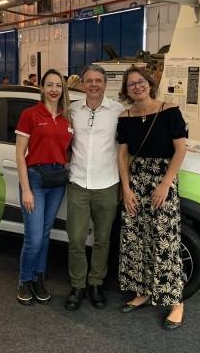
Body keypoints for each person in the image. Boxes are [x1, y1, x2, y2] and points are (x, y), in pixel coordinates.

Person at [116, 66, 187, 330]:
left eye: (141, 82)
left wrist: (165, 184)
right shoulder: (125, 117)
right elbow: (122, 156)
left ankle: (176, 301)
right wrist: (126, 188)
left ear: (150, 83)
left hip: (162, 182)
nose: (137, 87)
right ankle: (142, 291)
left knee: (165, 241)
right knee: (136, 239)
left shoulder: (169, 111)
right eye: (131, 84)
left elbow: (180, 150)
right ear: (127, 90)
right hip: (136, 182)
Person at [64, 65, 124, 311]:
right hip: (78, 182)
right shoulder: (72, 110)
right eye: (89, 80)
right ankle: (77, 286)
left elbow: (127, 145)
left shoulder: (118, 111)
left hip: (108, 184)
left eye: (98, 80)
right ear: (82, 84)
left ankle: (96, 283)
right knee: (76, 239)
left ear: (105, 83)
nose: (94, 84)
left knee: (102, 239)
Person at [15, 69, 73, 305]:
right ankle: (24, 280)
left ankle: (39, 278)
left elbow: (68, 150)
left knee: (46, 234)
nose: (54, 89)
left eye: (58, 85)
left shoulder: (66, 118)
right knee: (33, 238)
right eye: (49, 85)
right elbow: (20, 154)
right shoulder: (30, 114)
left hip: (57, 181)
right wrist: (26, 189)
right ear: (41, 88)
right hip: (35, 180)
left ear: (63, 88)